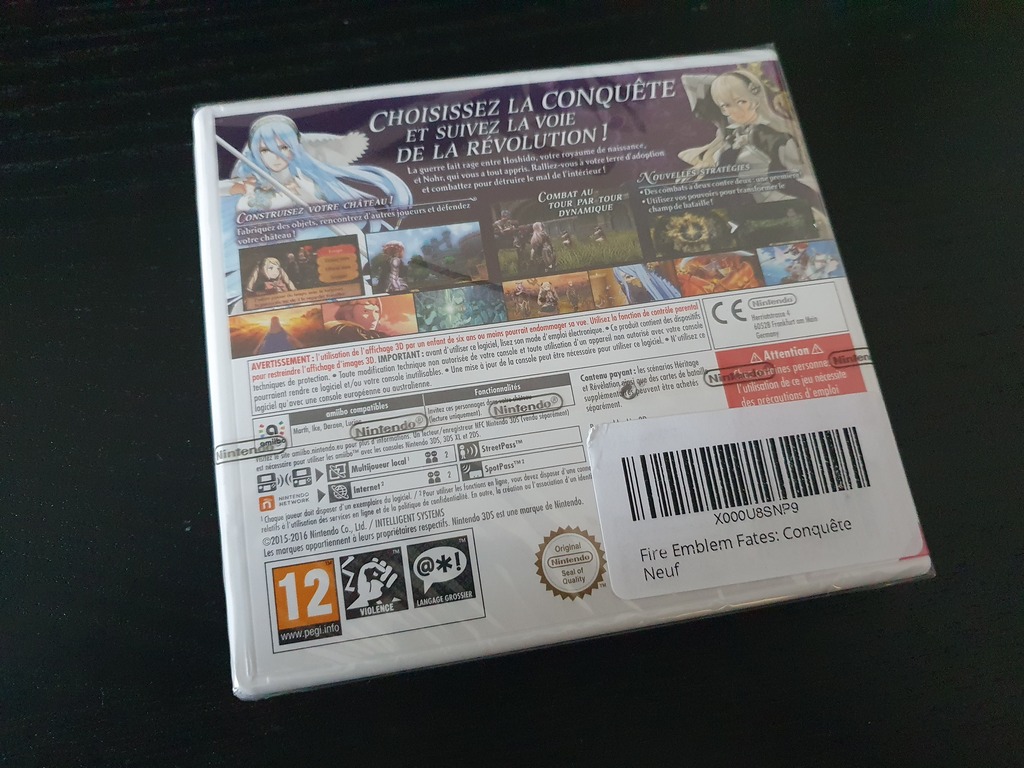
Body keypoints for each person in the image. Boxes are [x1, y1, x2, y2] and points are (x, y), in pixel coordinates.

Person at [228, 114, 412, 231]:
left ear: (295, 148)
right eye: (265, 150)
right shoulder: (249, 187)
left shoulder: (308, 185)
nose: (276, 156)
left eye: (284, 147)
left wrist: (314, 204)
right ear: (255, 153)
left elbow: (350, 232)